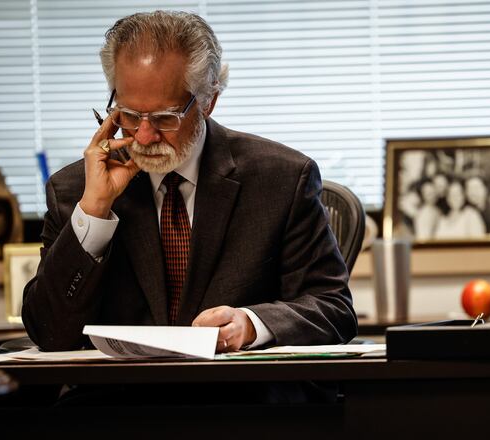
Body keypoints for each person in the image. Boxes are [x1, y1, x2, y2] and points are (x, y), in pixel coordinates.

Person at [22, 11, 357, 352]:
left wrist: (252, 325)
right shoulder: (72, 190)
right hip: (118, 398)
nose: (145, 135)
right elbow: (49, 334)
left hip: (243, 395)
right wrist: (94, 211)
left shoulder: (282, 178)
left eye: (166, 117)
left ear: (209, 101)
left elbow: (333, 308)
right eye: (129, 115)